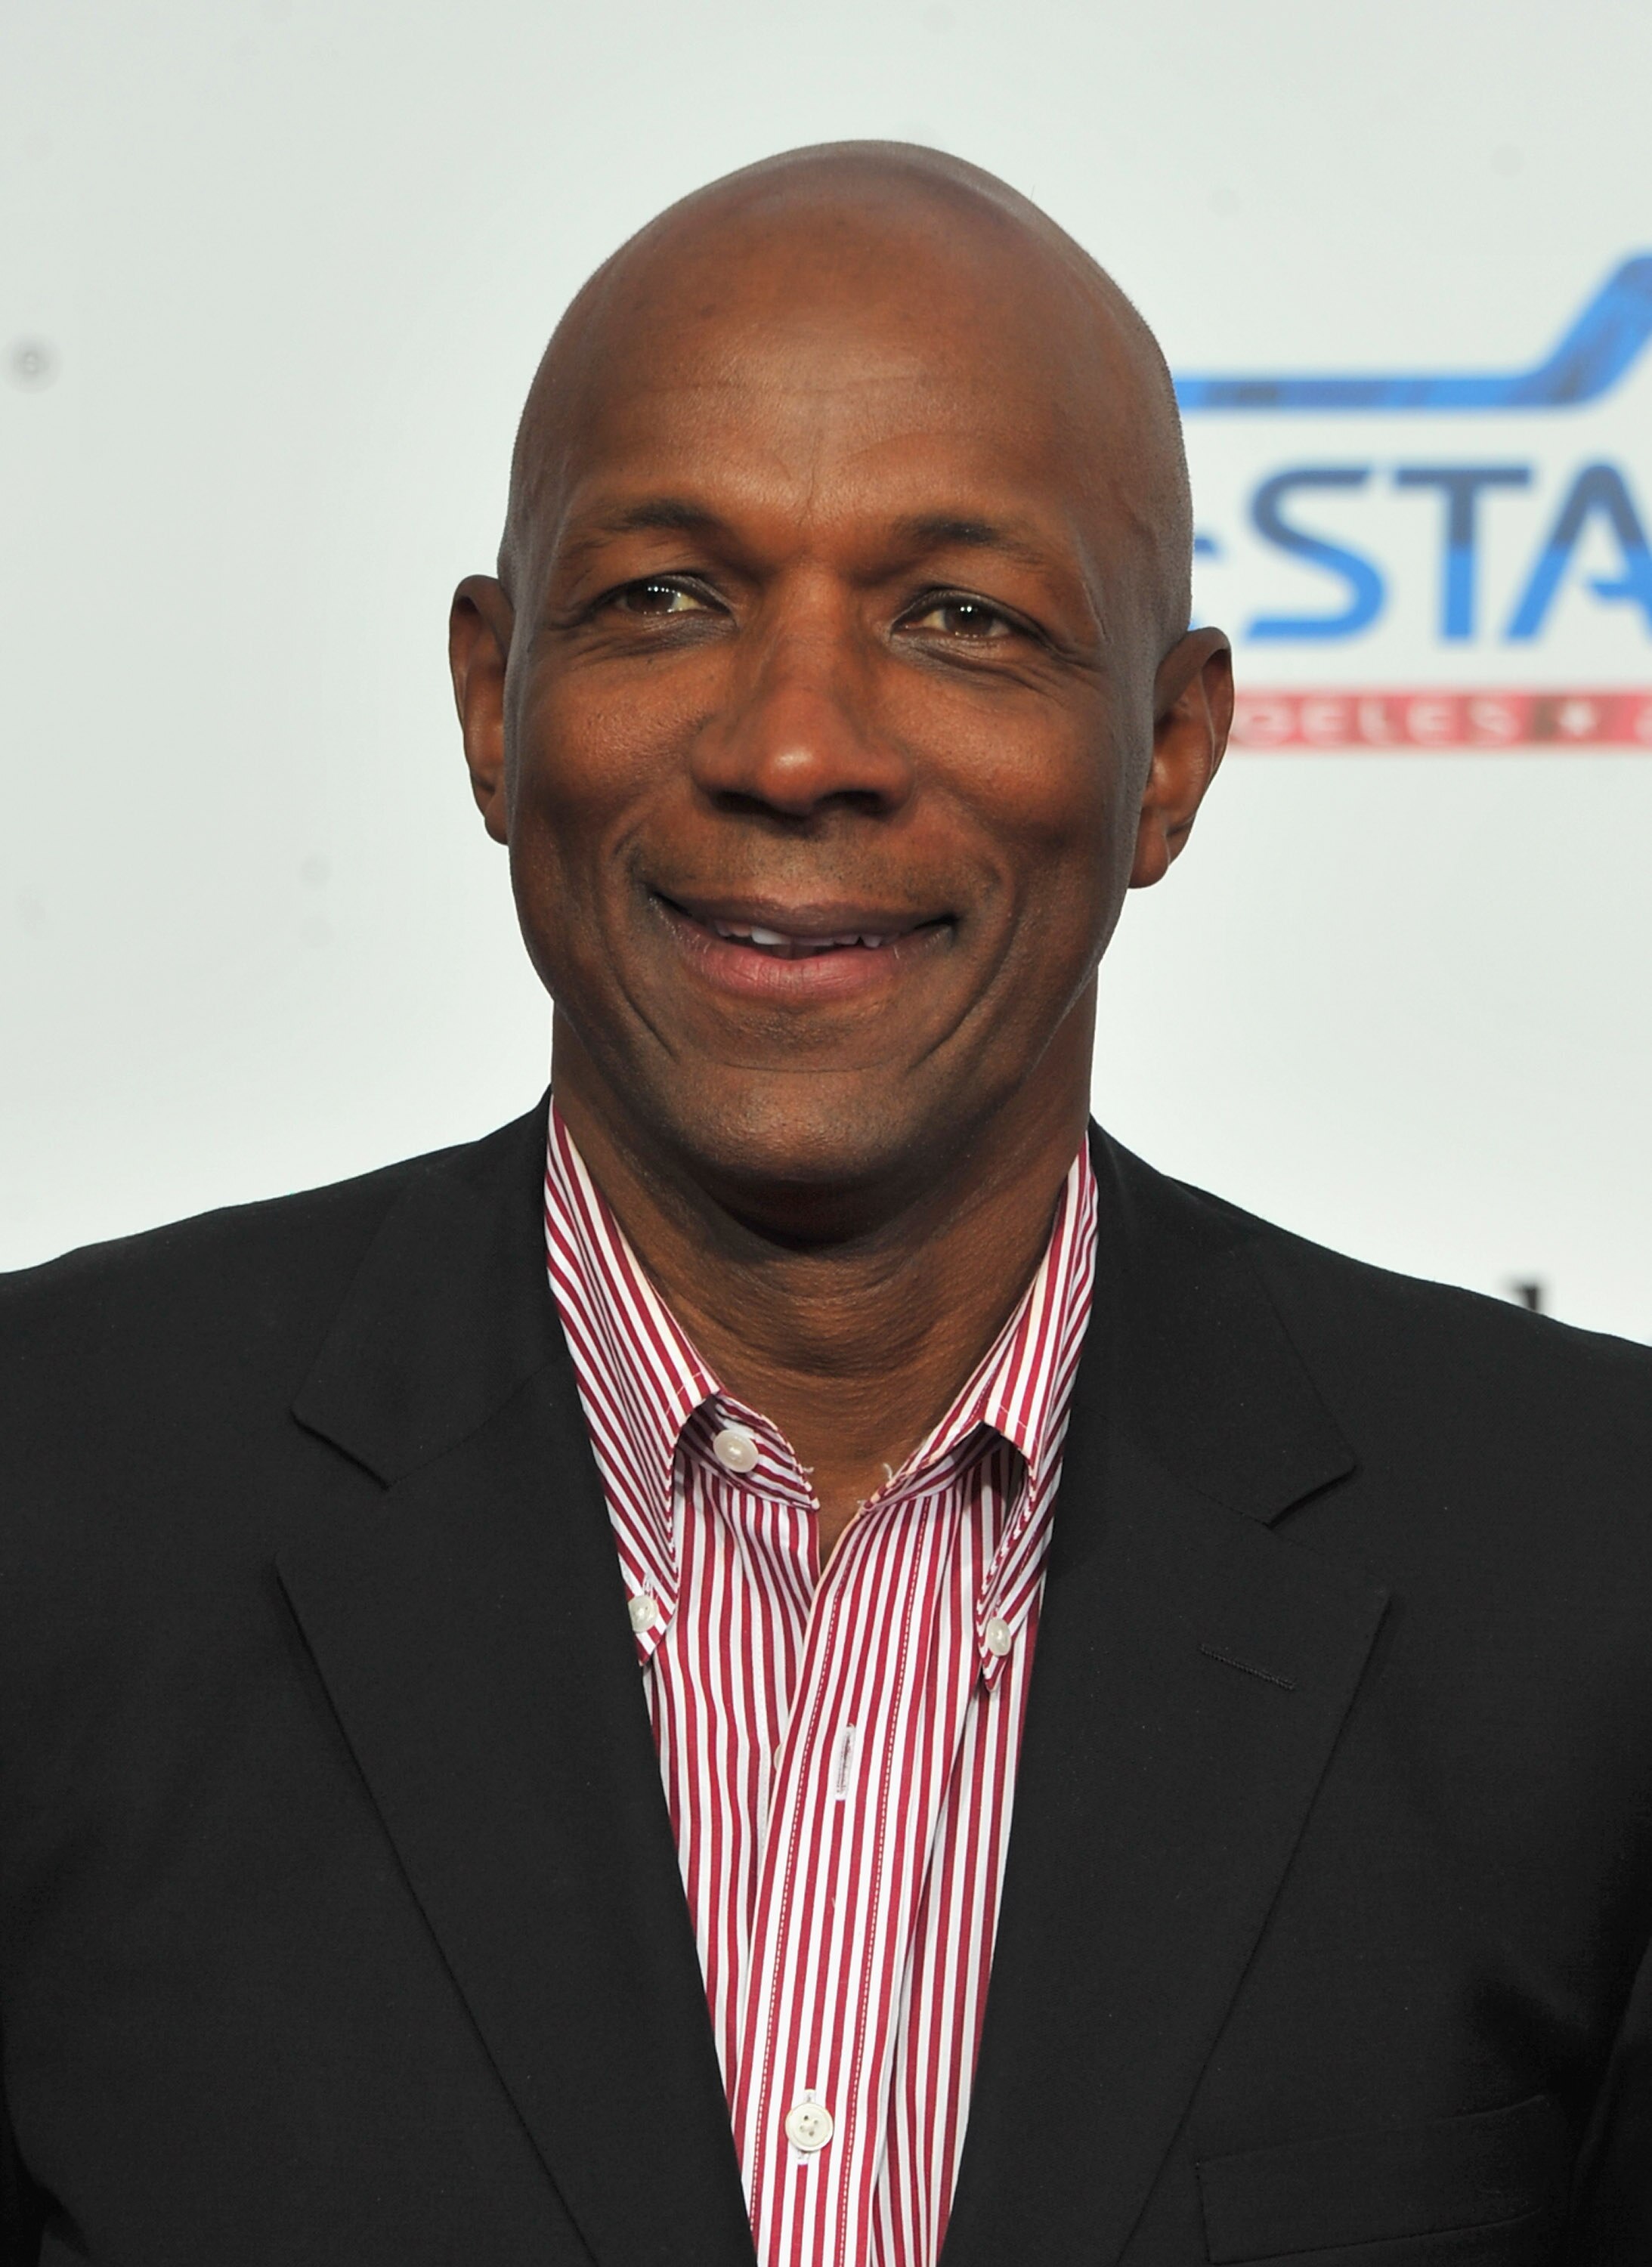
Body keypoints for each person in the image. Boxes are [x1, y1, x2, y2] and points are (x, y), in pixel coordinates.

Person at [1, 142, 1647, 2267]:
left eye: (960, 618)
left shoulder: (1591, 1577)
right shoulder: (47, 1505)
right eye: (667, 597)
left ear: (1167, 756)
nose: (793, 750)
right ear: (489, 706)